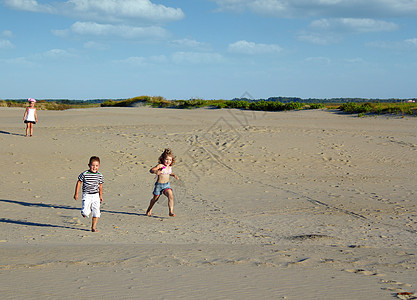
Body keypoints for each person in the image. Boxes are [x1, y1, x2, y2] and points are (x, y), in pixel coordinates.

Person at [74, 156, 104, 232]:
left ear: (99, 166)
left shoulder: (100, 175)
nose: (94, 167)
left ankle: (93, 227)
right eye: (93, 165)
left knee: (96, 212)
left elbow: (100, 186)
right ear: (89, 165)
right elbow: (79, 182)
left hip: (96, 195)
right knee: (85, 212)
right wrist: (76, 194)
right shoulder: (84, 174)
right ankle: (86, 211)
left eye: (96, 166)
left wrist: (100, 196)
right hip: (87, 195)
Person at [146, 148, 179, 217]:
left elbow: (170, 172)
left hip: (166, 185)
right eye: (166, 159)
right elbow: (151, 170)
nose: (168, 161)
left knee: (171, 195)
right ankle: (149, 209)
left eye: (170, 160)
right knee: (155, 198)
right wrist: (156, 171)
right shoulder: (161, 166)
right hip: (159, 185)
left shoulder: (169, 167)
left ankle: (171, 212)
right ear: (162, 159)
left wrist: (174, 175)